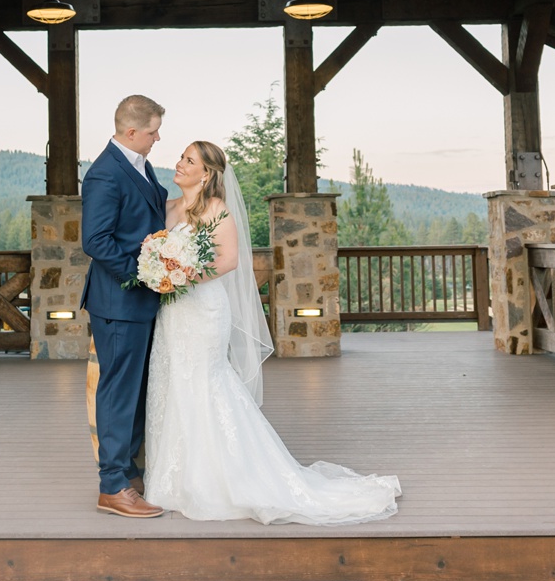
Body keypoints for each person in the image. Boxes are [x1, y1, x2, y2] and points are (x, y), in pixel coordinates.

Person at [144, 141, 401, 525]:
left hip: (203, 309)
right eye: (181, 157)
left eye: (189, 160)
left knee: (204, 382)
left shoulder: (217, 210)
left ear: (207, 173)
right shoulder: (168, 208)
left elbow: (229, 260)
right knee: (173, 383)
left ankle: (226, 479)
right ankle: (174, 479)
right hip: (173, 312)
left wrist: (182, 275)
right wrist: (163, 272)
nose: (179, 164)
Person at [80, 95, 170, 518]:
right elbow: (95, 241)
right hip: (119, 300)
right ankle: (112, 485)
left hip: (140, 301)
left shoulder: (140, 165)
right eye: (152, 131)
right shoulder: (104, 174)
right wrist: (140, 276)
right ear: (131, 132)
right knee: (117, 390)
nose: (157, 137)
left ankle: (130, 473)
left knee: (134, 390)